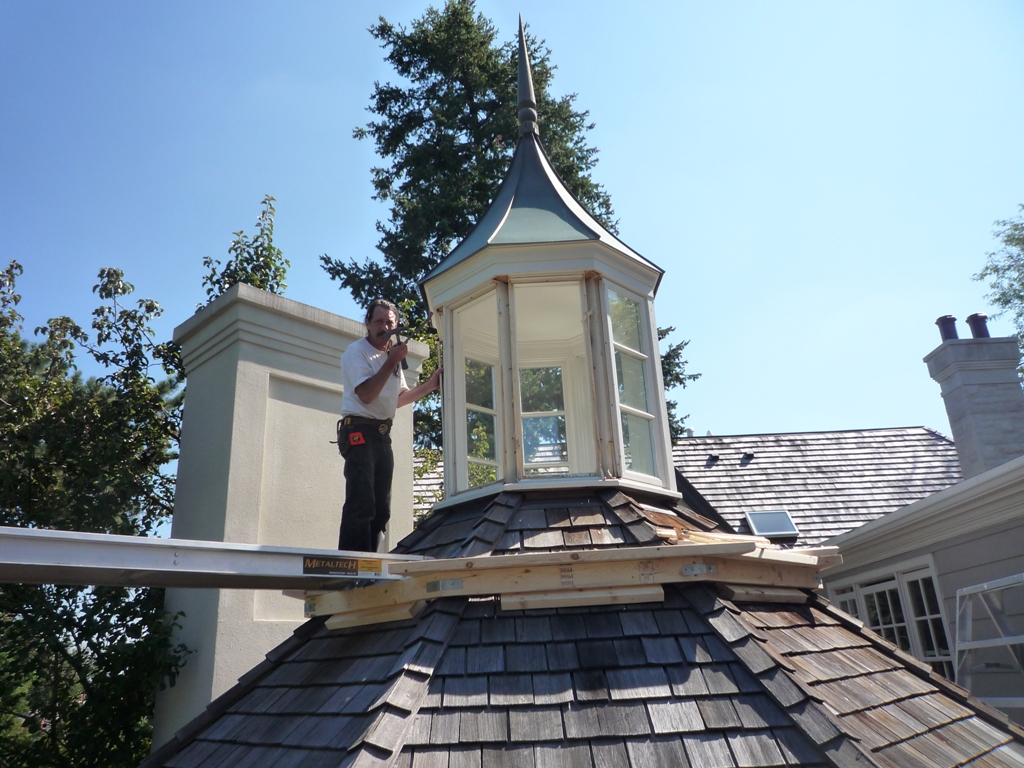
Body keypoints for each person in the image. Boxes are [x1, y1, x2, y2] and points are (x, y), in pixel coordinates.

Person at [337, 299, 441, 552]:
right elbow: (367, 395)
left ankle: (371, 564)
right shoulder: (357, 352)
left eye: (389, 322)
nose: (384, 327)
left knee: (382, 508)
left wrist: (429, 386)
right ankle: (353, 567)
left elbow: (398, 399)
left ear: (396, 326)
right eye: (379, 322)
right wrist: (391, 362)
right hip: (359, 432)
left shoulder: (389, 355)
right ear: (368, 323)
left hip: (382, 435)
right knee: (362, 503)